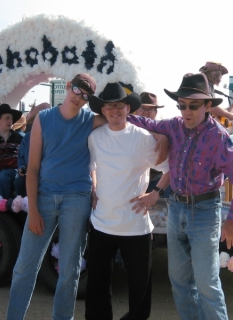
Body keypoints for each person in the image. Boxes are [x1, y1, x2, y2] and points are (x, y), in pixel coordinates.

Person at [127, 73, 233, 320]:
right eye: (182, 104)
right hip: (176, 210)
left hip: (205, 213)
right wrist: (115, 113)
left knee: (207, 282)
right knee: (178, 279)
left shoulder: (218, 138)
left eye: (193, 105)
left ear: (208, 106)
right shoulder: (174, 126)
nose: (186, 110)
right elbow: (147, 124)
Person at [6, 73, 107, 320]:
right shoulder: (44, 118)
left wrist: (158, 132)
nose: (79, 98)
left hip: (77, 198)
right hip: (45, 197)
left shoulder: (90, 120)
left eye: (86, 96)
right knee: (24, 268)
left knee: (70, 270)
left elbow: (121, 117)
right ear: (68, 86)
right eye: (77, 90)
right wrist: (34, 211)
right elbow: (33, 168)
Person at [85, 82, 170, 320]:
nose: (115, 110)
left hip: (136, 226)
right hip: (102, 223)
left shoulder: (143, 138)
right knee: (97, 292)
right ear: (103, 110)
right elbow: (91, 167)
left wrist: (156, 194)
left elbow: (168, 169)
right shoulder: (94, 138)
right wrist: (93, 187)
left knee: (140, 294)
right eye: (110, 106)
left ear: (128, 109)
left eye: (119, 105)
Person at [136, 92, 171, 197]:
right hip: (134, 180)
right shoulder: (128, 128)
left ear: (155, 112)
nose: (146, 113)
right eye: (143, 108)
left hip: (158, 179)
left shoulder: (164, 129)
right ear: (136, 110)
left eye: (150, 109)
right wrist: (155, 135)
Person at [14, 103, 51, 197]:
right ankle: (21, 207)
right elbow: (21, 156)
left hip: (46, 174)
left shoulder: (52, 136)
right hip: (28, 172)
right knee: (19, 182)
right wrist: (21, 167)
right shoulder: (27, 137)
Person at [199, 61, 233, 132]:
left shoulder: (209, 85)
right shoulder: (205, 85)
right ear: (215, 74)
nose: (221, 77)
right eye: (221, 74)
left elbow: (217, 111)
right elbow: (209, 107)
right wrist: (229, 115)